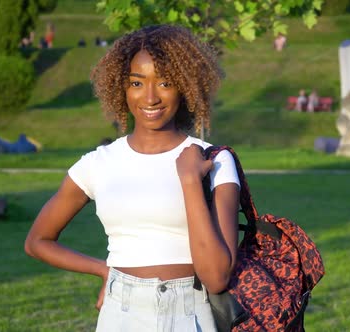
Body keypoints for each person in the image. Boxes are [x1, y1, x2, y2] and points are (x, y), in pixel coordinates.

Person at [24, 25, 241, 331]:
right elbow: (37, 241)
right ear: (121, 88)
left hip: (190, 312)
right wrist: (103, 270)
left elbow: (217, 277)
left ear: (185, 86)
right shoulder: (97, 164)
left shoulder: (214, 161)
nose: (150, 97)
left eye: (165, 82)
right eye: (136, 82)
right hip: (120, 312)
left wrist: (190, 181)